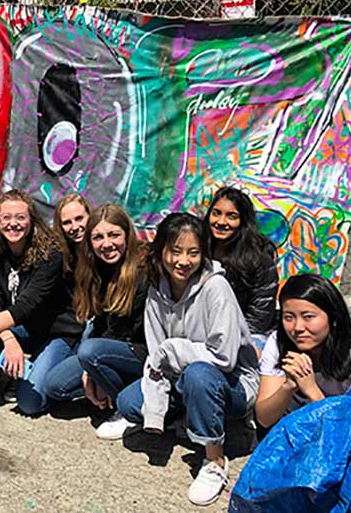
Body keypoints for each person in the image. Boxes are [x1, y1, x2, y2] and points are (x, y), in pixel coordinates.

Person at [114, 213, 259, 506]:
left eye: (193, 252)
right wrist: (154, 413)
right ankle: (185, 417)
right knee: (129, 404)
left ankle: (215, 460)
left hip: (231, 383)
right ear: (161, 251)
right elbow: (158, 355)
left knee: (198, 374)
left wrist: (173, 350)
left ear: (203, 253)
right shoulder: (157, 288)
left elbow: (225, 358)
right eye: (175, 251)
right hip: (181, 377)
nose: (183, 261)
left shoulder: (216, 288)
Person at [0, 189, 83, 415]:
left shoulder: (50, 253)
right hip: (23, 328)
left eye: (21, 217)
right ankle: (15, 370)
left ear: (32, 221)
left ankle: (64, 366)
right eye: (7, 217)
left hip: (57, 332)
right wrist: (9, 340)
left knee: (30, 404)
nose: (13, 224)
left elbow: (25, 306)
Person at [45, 204, 149, 439]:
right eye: (98, 237)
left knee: (89, 351)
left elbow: (123, 331)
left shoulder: (142, 272)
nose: (107, 243)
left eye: (114, 235)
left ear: (127, 235)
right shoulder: (97, 269)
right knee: (55, 385)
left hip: (142, 352)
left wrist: (92, 367)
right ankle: (109, 391)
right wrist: (91, 369)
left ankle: (130, 408)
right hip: (109, 346)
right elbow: (101, 324)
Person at [255, 273, 351, 430]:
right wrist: (288, 386)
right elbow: (264, 418)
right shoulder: (279, 342)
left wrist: (311, 390)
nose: (297, 328)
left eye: (308, 317)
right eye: (289, 317)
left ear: (333, 318)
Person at [205, 186, 278, 350]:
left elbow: (260, 317)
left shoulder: (259, 260)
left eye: (231, 216)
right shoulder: (200, 251)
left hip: (247, 334)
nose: (221, 222)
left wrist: (228, 339)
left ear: (243, 222)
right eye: (216, 213)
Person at [52, 193, 92, 274]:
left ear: (90, 216)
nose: (74, 227)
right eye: (67, 223)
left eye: (79, 218)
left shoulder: (104, 249)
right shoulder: (59, 258)